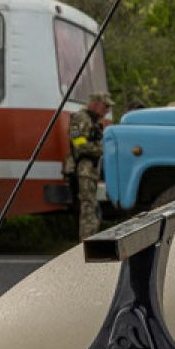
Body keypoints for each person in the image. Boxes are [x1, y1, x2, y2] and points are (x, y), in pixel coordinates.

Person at [64, 92, 112, 239]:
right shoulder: (80, 118)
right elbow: (78, 143)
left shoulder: (93, 121)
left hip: (90, 169)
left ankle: (89, 240)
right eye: (106, 106)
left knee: (91, 206)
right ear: (95, 104)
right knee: (88, 208)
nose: (107, 111)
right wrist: (102, 150)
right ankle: (85, 243)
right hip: (82, 169)